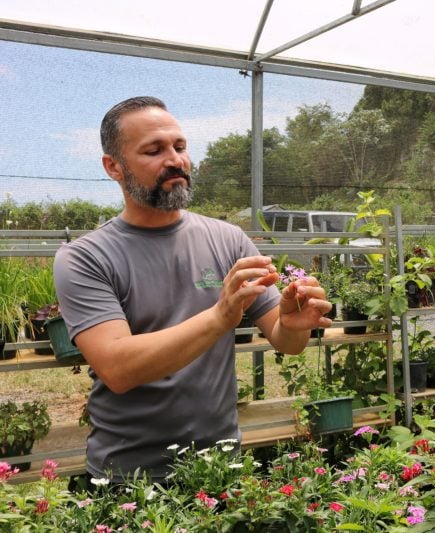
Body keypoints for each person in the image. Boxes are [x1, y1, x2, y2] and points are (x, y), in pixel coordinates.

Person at [53, 96, 333, 484]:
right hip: (129, 479)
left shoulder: (228, 240)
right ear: (113, 166)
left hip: (220, 468)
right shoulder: (85, 257)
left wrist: (295, 323)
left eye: (180, 147)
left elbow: (286, 342)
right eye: (154, 150)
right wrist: (219, 317)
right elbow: (117, 368)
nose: (175, 160)